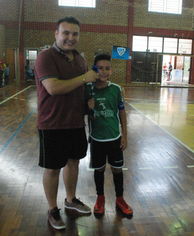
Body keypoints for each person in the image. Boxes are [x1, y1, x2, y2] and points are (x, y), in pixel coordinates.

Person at [34, 16, 98, 230]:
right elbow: (52, 88)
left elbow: (83, 88)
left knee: (73, 162)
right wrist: (83, 79)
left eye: (75, 34)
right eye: (66, 33)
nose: (71, 38)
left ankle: (71, 199)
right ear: (56, 34)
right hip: (52, 124)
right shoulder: (46, 57)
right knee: (52, 168)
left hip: (76, 123)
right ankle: (52, 209)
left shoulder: (80, 59)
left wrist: (88, 102)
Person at [86, 53, 133, 217]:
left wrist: (125, 136)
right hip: (97, 138)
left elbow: (122, 114)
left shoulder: (116, 89)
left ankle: (120, 199)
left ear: (111, 70)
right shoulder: (88, 89)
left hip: (114, 138)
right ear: (94, 70)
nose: (103, 72)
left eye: (107, 68)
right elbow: (88, 116)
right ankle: (100, 199)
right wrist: (89, 109)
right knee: (98, 170)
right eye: (99, 68)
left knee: (117, 169)